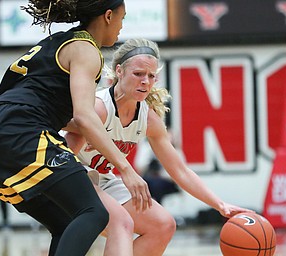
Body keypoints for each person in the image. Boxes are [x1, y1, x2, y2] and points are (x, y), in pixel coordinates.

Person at [0, 1, 152, 256]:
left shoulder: (59, 41)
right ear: (108, 15)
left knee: (66, 222)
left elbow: (65, 116)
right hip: (20, 129)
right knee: (94, 212)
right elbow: (83, 117)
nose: (122, 28)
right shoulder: (86, 49)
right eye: (122, 19)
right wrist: (126, 169)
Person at [64, 38, 254, 256]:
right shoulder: (98, 107)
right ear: (119, 71)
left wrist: (220, 204)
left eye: (151, 76)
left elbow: (180, 170)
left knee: (163, 225)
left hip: (102, 180)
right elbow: (64, 153)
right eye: (138, 74)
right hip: (70, 176)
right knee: (122, 223)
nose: (145, 81)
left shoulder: (149, 119)